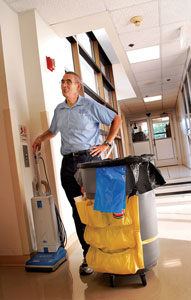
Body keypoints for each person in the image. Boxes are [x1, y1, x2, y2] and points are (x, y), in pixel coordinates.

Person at [32, 71, 122, 275]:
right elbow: (53, 131)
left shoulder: (89, 105)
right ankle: (88, 256)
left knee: (97, 207)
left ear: (78, 86)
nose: (64, 85)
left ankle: (108, 251)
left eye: (68, 82)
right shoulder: (59, 109)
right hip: (68, 164)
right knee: (77, 210)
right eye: (62, 82)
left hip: (89, 161)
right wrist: (40, 137)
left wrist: (106, 143)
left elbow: (116, 119)